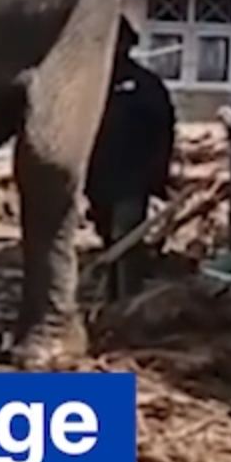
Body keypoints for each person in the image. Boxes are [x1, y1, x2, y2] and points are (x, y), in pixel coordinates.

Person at [86, 17, 177, 301]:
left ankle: (128, 302)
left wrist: (157, 176)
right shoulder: (89, 85)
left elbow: (164, 133)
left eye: (119, 43)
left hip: (132, 181)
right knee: (108, 240)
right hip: (98, 180)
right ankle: (112, 299)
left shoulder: (145, 86)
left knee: (125, 240)